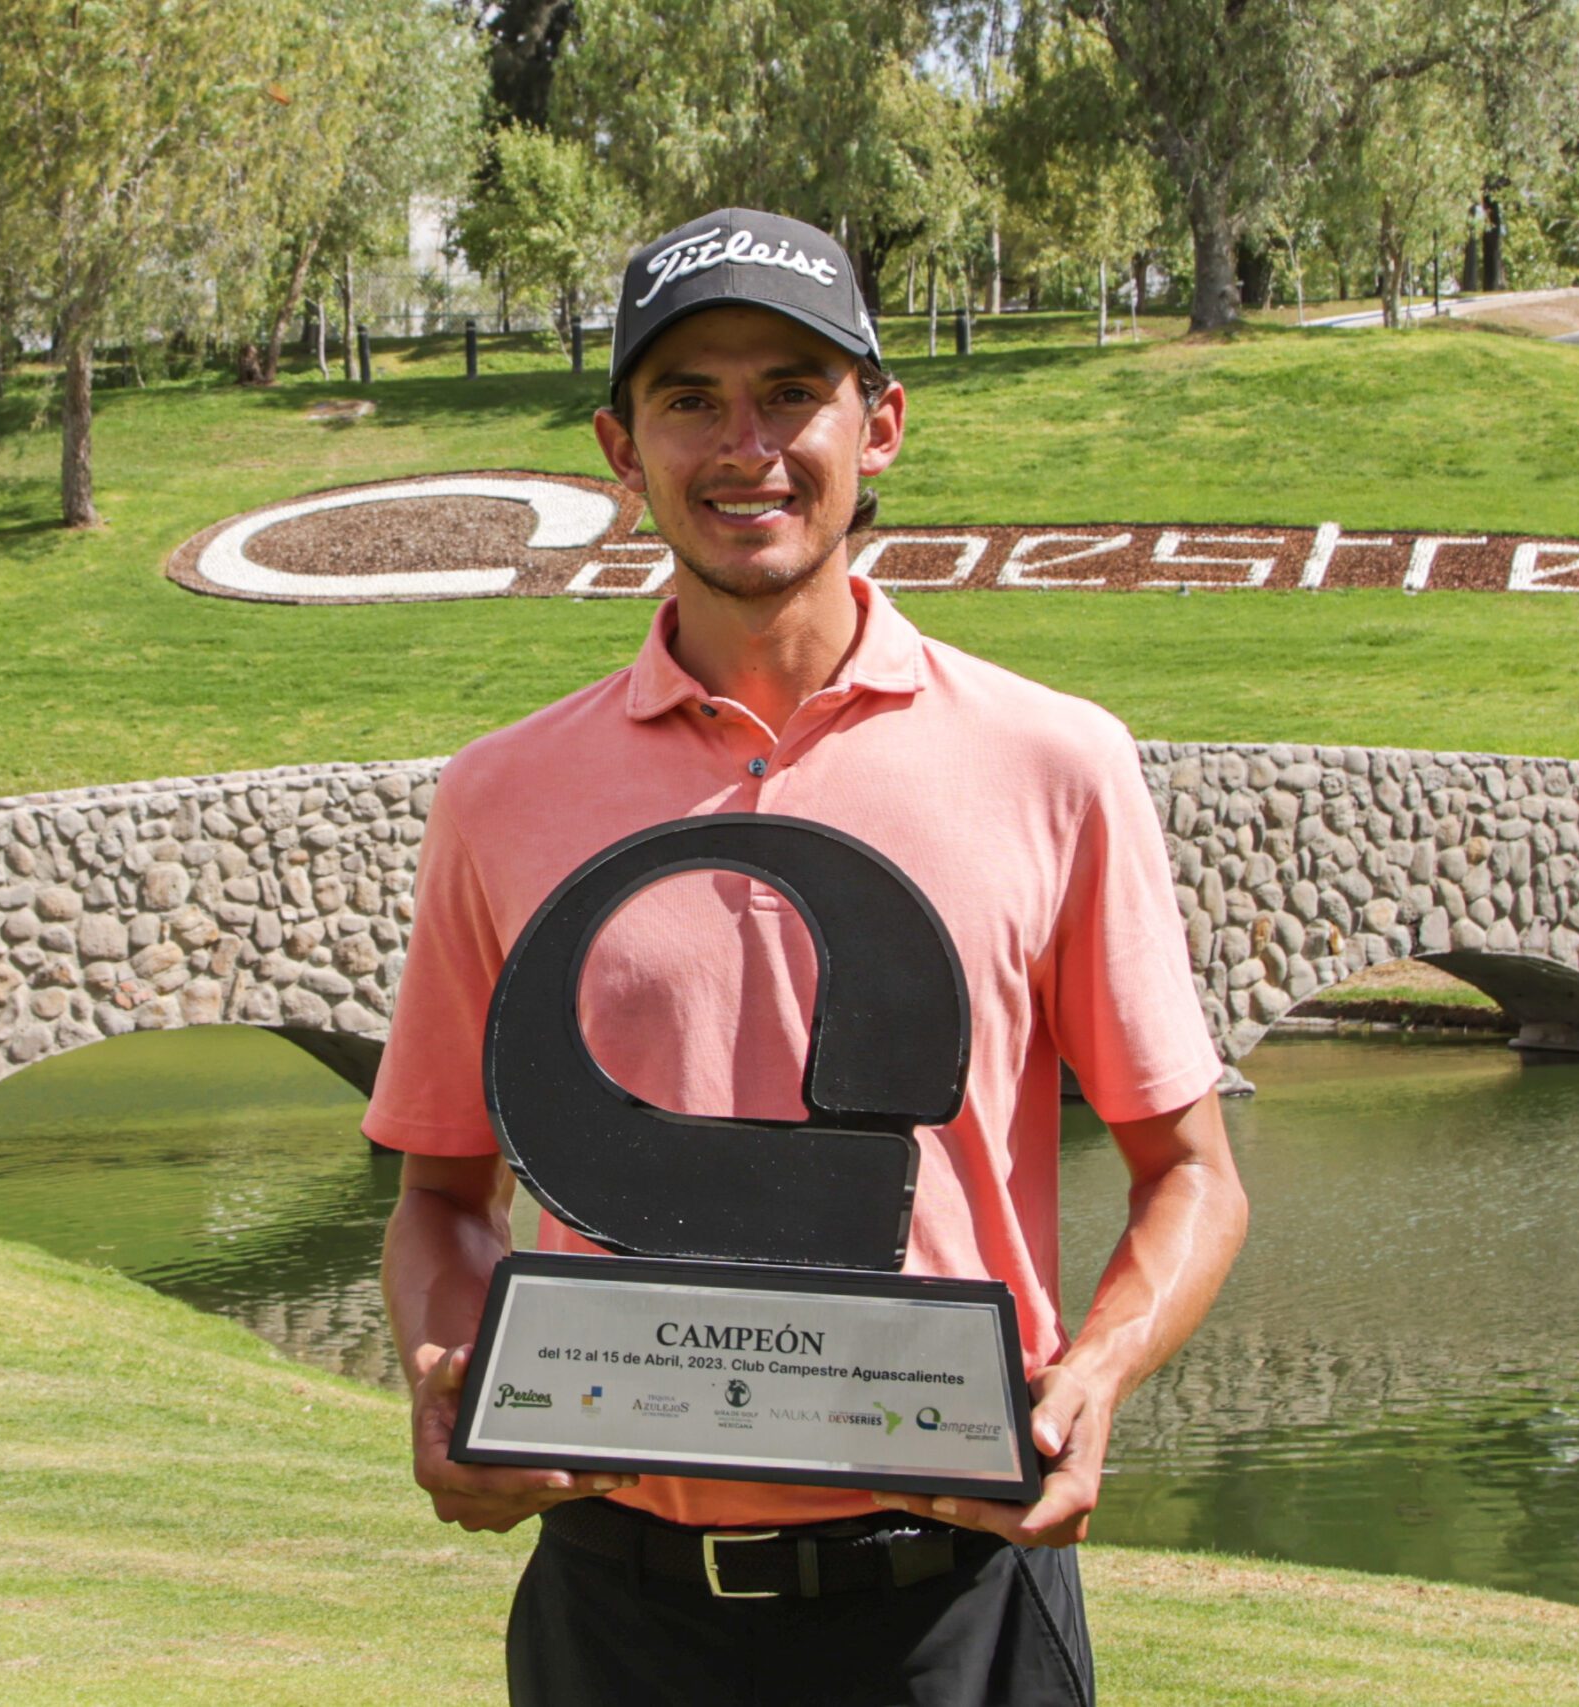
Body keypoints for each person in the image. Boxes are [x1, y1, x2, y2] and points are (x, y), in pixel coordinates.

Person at [363, 207, 1250, 1706]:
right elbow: (443, 1199)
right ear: (617, 449)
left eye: (791, 389)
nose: (745, 442)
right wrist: (452, 1371)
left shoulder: (1058, 763)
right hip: (618, 1610)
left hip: (957, 1602)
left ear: (880, 423)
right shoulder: (501, 796)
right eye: (688, 399)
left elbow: (1194, 1173)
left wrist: (1095, 1378)